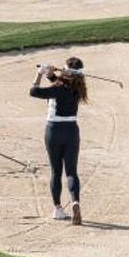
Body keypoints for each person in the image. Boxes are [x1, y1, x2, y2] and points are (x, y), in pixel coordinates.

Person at [30, 56, 88, 224]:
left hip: (54, 131)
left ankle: (58, 209)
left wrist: (40, 73)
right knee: (71, 172)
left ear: (67, 72)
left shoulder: (59, 87)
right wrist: (50, 74)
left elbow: (34, 91)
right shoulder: (78, 88)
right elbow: (60, 84)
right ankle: (75, 202)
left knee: (56, 171)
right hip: (71, 132)